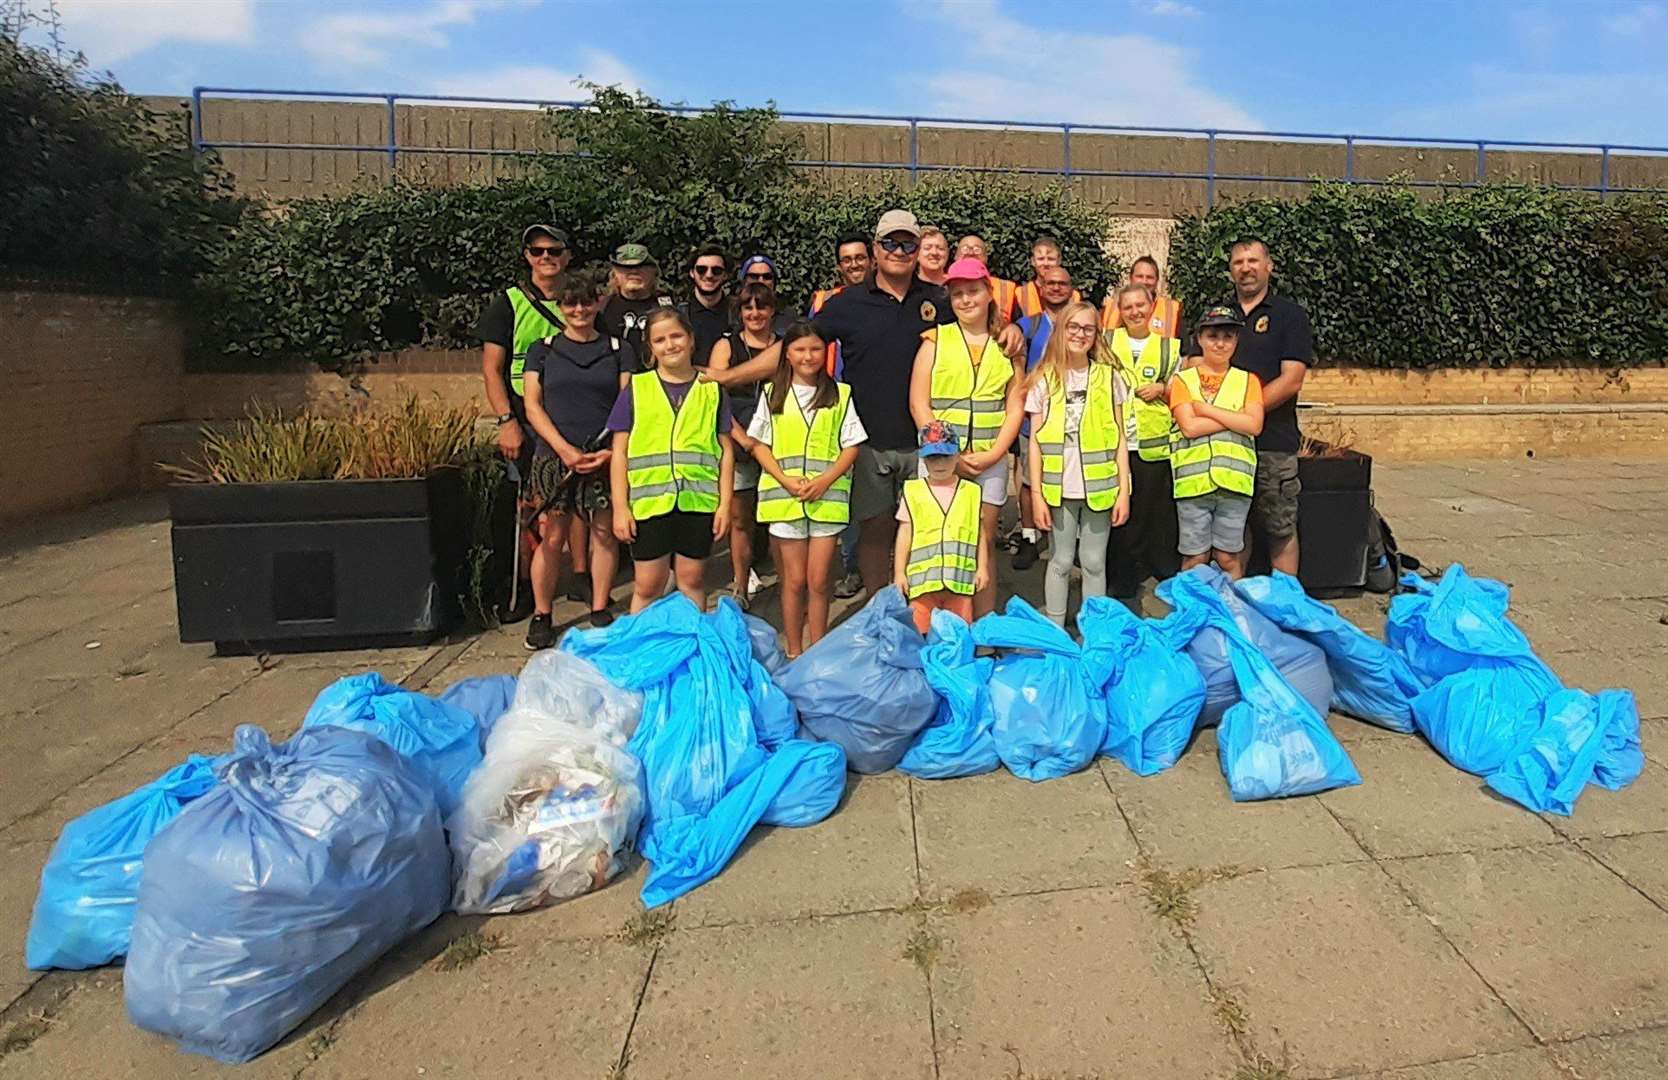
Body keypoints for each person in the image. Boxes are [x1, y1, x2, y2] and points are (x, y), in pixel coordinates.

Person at [712, 210, 1023, 598]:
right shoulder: (847, 303)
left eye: (907, 243)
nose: (899, 250)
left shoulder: (937, 299)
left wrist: (1008, 328)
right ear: (876, 249)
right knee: (874, 532)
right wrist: (727, 377)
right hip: (870, 441)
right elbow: (793, 348)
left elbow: (978, 318)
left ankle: (924, 613)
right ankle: (882, 610)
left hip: (929, 446)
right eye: (890, 242)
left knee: (927, 532)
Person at [520, 272, 634, 648]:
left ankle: (600, 608)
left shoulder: (620, 349)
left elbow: (627, 404)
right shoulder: (542, 350)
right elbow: (532, 406)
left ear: (597, 303)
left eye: (586, 302)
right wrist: (563, 449)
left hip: (603, 456)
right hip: (555, 456)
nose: (579, 309)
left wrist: (609, 452)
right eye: (571, 303)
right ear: (561, 307)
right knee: (552, 537)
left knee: (604, 532)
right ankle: (542, 614)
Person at [909, 256, 1027, 620]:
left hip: (990, 459)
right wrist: (948, 456)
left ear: (988, 293)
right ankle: (937, 624)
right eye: (958, 294)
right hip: (939, 460)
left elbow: (1016, 404)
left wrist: (995, 453)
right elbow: (919, 401)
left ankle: (982, 623)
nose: (965, 300)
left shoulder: (1008, 344)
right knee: (934, 541)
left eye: (973, 291)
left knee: (982, 543)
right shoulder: (935, 340)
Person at [748, 321, 866, 657]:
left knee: (818, 581)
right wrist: (785, 480)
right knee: (793, 581)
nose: (808, 356)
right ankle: (794, 650)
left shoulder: (840, 394)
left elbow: (852, 445)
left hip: (825, 499)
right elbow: (759, 444)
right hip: (785, 499)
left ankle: (818, 647)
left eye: (815, 348)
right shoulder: (773, 393)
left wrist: (825, 480)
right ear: (787, 354)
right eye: (800, 349)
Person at [475, 223, 573, 620]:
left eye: (553, 250)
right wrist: (505, 421)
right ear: (527, 256)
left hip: (567, 416)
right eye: (537, 251)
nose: (546, 257)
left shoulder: (578, 302)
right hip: (523, 417)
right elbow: (492, 370)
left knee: (563, 508)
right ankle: (524, 590)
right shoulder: (508, 304)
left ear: (567, 256)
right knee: (528, 506)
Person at [608, 308, 735, 612]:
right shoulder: (637, 389)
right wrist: (620, 508)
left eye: (676, 336)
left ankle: (693, 645)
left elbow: (726, 451)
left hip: (697, 503)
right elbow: (619, 453)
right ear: (650, 348)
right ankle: (642, 650)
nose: (670, 345)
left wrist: (725, 505)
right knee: (648, 585)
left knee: (691, 580)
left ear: (691, 340)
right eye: (660, 339)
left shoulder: (712, 390)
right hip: (649, 504)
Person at [1025, 301, 1130, 627]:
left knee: (1094, 561)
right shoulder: (1044, 378)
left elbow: (1121, 438)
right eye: (1073, 327)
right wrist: (1038, 495)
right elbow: (1035, 441)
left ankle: (1093, 630)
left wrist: (1124, 491)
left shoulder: (1110, 378)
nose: (1080, 334)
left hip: (1101, 486)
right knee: (1061, 560)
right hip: (1058, 488)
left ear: (1096, 334)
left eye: (1088, 328)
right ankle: (1056, 629)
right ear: (1061, 331)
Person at [1170, 306, 1264, 579]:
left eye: (1228, 336)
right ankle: (1195, 613)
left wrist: (1206, 409)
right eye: (1213, 336)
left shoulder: (1248, 381)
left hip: (1234, 483)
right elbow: (1189, 427)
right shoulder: (1182, 380)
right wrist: (1236, 418)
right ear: (1199, 338)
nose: (1220, 343)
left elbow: (1254, 425)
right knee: (1194, 557)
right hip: (1193, 484)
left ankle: (1229, 613)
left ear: (1236, 341)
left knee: (1228, 557)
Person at [1101, 282, 1183, 594]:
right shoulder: (1105, 342)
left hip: (1153, 443)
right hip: (1114, 442)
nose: (1135, 312)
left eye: (1141, 305)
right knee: (1119, 512)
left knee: (1152, 511)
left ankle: (1154, 567)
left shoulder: (1168, 347)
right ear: (1119, 311)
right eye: (1128, 307)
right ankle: (1120, 575)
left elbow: (1183, 389)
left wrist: (1163, 389)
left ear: (1152, 307)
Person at [706, 281, 783, 609]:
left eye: (761, 306)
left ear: (772, 311)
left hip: (778, 442)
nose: (755, 313)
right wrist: (740, 438)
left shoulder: (785, 345)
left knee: (780, 517)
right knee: (740, 519)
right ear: (740, 312)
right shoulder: (726, 346)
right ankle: (740, 583)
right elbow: (714, 396)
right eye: (748, 307)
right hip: (737, 442)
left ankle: (787, 584)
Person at [1011, 265, 1078, 571]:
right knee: (1029, 480)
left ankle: (1067, 541)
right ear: (1040, 287)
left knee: (1068, 478)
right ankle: (1028, 538)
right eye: (1050, 283)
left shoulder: (1081, 323)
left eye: (1062, 284)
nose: (1056, 288)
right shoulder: (1029, 325)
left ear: (1071, 288)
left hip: (1073, 418)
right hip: (1034, 418)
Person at [895, 420, 987, 635]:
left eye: (945, 456)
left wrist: (982, 567)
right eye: (932, 457)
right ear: (923, 459)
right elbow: (904, 534)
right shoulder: (913, 491)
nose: (939, 463)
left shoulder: (971, 492)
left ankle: (954, 667)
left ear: (957, 456)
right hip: (923, 583)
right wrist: (899, 572)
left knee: (958, 635)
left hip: (959, 581)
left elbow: (980, 533)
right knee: (919, 634)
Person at [599, 243, 674, 360]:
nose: (634, 272)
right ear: (615, 274)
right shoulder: (601, 307)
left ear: (654, 272)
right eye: (626, 267)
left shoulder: (668, 307)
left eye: (641, 266)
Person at [1101, 255, 1183, 337]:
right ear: (1130, 278)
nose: (1144, 281)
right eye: (1139, 276)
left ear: (1157, 280)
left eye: (1149, 277)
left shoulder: (1173, 310)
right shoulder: (1108, 308)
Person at [683, 242, 732, 367]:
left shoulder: (739, 314)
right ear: (692, 273)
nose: (709, 275)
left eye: (716, 270)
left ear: (725, 275)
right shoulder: (678, 315)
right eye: (701, 269)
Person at [1014, 235, 1082, 318]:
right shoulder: (1021, 294)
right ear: (1033, 261)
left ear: (1059, 260)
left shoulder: (1073, 297)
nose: (1045, 264)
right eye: (1041, 259)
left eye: (1050, 259)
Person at [955, 233, 1018, 322]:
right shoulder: (944, 286)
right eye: (965, 249)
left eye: (977, 249)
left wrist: (1014, 327)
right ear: (955, 256)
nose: (971, 252)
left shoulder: (1007, 288)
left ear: (986, 258)